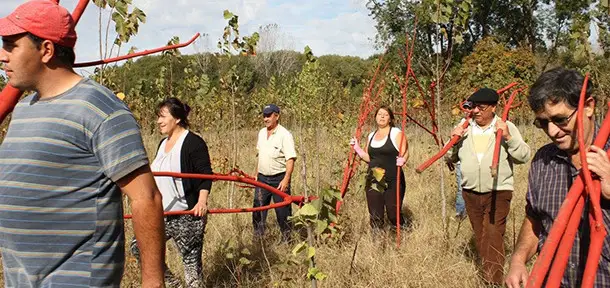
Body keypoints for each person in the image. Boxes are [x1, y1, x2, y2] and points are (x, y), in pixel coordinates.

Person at [0, 1, 165, 287]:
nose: (2, 56)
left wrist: (152, 281)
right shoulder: (25, 108)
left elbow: (146, 198)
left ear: (46, 50)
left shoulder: (99, 108)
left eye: (11, 45)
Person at [506, 68, 610, 287]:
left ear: (588, 107)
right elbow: (535, 218)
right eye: (543, 122)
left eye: (560, 119)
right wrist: (518, 259)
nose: (552, 131)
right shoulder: (542, 160)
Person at [446, 88, 531, 285]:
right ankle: (490, 272)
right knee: (481, 236)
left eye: (481, 108)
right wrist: (453, 140)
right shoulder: (464, 127)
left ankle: (493, 281)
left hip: (498, 191)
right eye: (472, 107)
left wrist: (509, 137)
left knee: (493, 234)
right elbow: (451, 158)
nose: (475, 111)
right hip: (470, 191)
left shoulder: (505, 126)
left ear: (493, 108)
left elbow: (523, 156)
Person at [131, 98, 213, 288]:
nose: (158, 121)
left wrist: (201, 202)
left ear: (177, 119)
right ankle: (173, 284)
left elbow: (205, 174)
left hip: (187, 215)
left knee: (192, 271)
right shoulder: (162, 144)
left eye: (162, 116)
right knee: (138, 247)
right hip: (161, 214)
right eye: (158, 117)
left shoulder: (194, 142)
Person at [350, 106, 408, 231]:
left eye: (385, 114)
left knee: (393, 213)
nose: (382, 116)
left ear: (390, 119)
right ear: (375, 117)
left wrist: (403, 159)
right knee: (375, 213)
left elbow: (405, 151)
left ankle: (403, 233)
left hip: (393, 178)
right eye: (379, 114)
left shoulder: (396, 133)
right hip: (375, 178)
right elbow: (369, 158)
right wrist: (357, 149)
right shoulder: (371, 135)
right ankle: (377, 242)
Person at [253, 104, 297, 241]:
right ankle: (258, 238)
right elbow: (260, 154)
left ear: (276, 116)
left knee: (282, 211)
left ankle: (286, 239)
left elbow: (290, 158)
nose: (266, 119)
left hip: (279, 179)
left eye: (269, 115)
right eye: (264, 116)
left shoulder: (285, 135)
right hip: (262, 178)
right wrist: (256, 173)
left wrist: (286, 179)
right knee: (258, 208)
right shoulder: (261, 133)